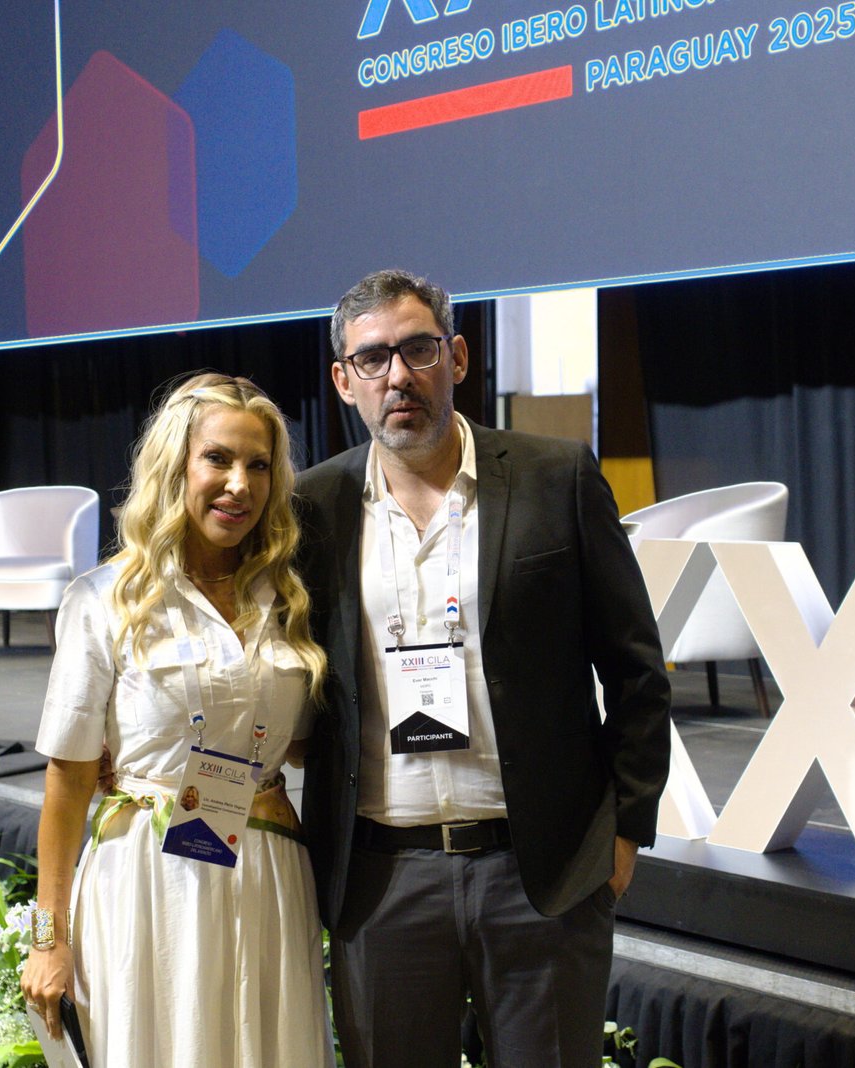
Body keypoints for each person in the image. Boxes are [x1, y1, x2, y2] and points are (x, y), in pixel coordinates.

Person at [295, 269, 672, 1066]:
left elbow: (636, 668)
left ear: (458, 357)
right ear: (344, 381)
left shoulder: (556, 477)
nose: (398, 376)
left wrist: (624, 833)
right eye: (372, 359)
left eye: (418, 349)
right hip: (381, 883)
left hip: (539, 877)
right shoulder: (312, 508)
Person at [21, 373, 332, 1067]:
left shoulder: (289, 598)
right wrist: (48, 939)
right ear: (175, 466)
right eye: (217, 459)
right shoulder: (104, 601)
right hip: (146, 884)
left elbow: (309, 746)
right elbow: (67, 784)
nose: (239, 485)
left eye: (258, 465)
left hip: (267, 873)